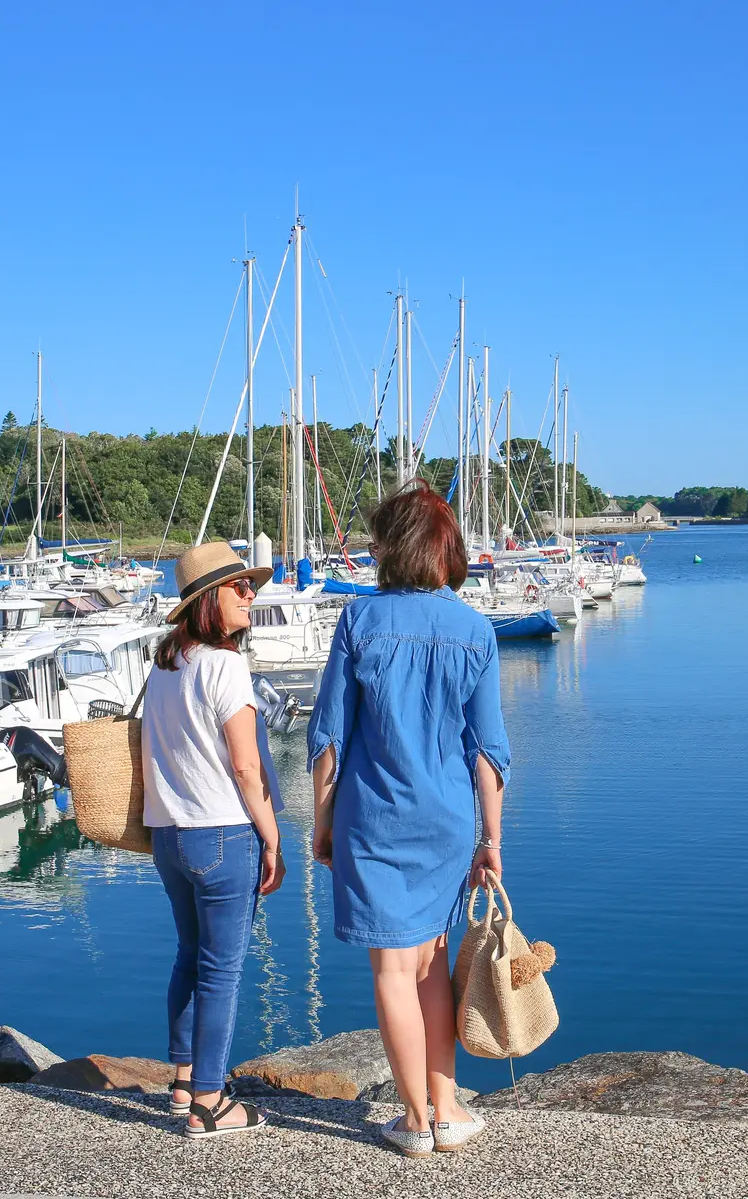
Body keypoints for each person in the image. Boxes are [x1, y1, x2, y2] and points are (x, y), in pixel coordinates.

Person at [307, 480, 511, 1157]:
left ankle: (416, 1122)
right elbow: (489, 752)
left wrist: (322, 821)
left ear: (392, 548)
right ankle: (447, 1110)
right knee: (432, 963)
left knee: (394, 971)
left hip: (374, 817)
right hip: (448, 822)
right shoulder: (475, 630)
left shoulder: (359, 621)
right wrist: (491, 840)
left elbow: (330, 737)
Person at [141, 543, 284, 1140]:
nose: (251, 595)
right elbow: (247, 768)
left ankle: (182, 1083)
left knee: (189, 954)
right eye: (239, 588)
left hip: (168, 836)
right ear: (208, 600)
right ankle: (209, 1103)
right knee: (221, 970)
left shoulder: (164, 667)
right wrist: (272, 839)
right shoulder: (225, 667)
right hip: (222, 832)